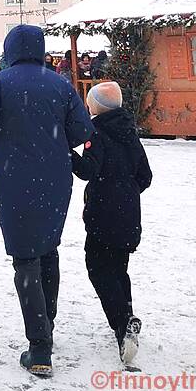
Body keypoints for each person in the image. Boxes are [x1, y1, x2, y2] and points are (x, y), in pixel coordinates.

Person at [0, 25, 93, 378]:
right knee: (48, 250)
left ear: (9, 49)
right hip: (56, 180)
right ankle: (47, 326)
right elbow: (82, 131)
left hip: (13, 182)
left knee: (25, 258)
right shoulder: (60, 84)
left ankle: (40, 347)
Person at [70, 82, 153, 365]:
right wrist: (126, 192)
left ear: (96, 106)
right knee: (118, 269)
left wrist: (69, 154)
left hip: (104, 213)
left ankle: (123, 325)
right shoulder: (129, 131)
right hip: (129, 213)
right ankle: (126, 319)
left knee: (97, 268)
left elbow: (87, 170)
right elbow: (146, 176)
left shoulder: (97, 133)